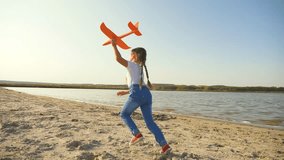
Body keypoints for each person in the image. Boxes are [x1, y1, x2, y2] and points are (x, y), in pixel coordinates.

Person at [111, 39, 171, 154]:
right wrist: (125, 92)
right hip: (147, 95)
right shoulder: (140, 68)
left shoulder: (132, 65)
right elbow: (139, 85)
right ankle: (165, 146)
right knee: (150, 123)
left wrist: (114, 46)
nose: (129, 56)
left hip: (138, 93)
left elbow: (118, 59)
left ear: (134, 55)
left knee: (124, 114)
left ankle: (137, 134)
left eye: (130, 54)